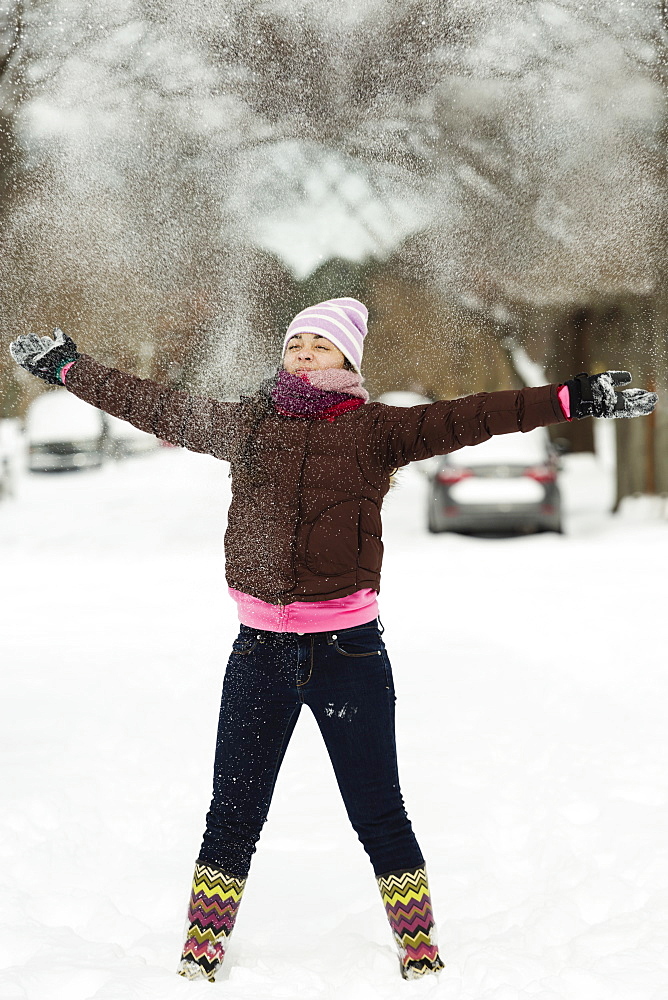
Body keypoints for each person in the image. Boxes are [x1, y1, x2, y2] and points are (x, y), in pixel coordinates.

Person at [9, 300, 658, 982]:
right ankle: (202, 947)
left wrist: (572, 396)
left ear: (348, 359)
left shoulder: (378, 431)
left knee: (379, 810)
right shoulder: (249, 424)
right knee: (232, 814)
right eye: (297, 344)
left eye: (320, 344)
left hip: (349, 654)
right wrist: (70, 369)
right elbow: (156, 406)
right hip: (258, 653)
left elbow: (476, 414)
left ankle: (419, 946)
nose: (305, 354)